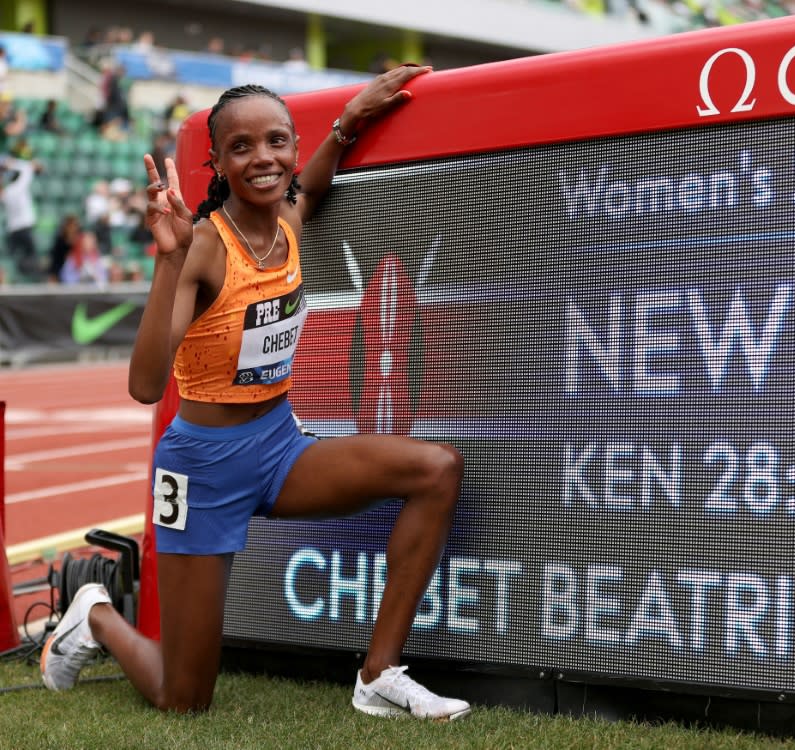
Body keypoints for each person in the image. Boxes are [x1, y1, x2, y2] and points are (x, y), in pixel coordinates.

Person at [40, 64, 472, 722]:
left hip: (277, 447)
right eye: (241, 148)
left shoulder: (291, 216)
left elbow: (315, 179)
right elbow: (143, 385)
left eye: (276, 141)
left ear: (292, 148)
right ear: (215, 163)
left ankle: (378, 674)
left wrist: (353, 115)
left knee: (436, 469)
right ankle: (95, 615)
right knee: (183, 698)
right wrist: (170, 262)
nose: (262, 159)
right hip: (203, 468)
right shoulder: (206, 249)